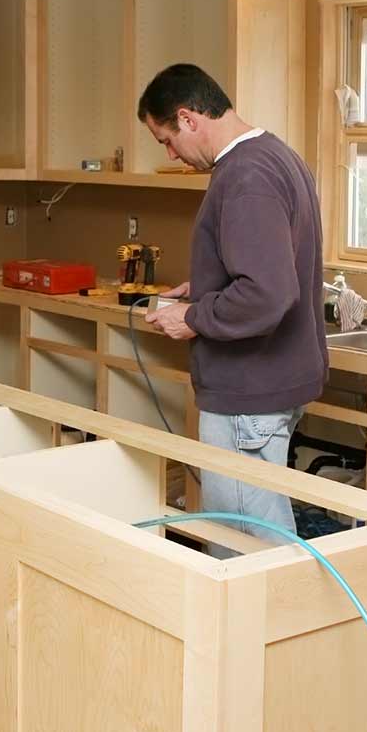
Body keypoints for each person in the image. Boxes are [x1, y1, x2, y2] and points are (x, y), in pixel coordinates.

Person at [138, 63, 325, 541]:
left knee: (246, 544)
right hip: (269, 381)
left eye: (166, 140)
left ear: (188, 118)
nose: (172, 153)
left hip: (248, 392)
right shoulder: (274, 155)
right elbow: (264, 267)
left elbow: (268, 292)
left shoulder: (246, 176)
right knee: (257, 532)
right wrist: (201, 287)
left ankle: (279, 619)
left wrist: (195, 318)